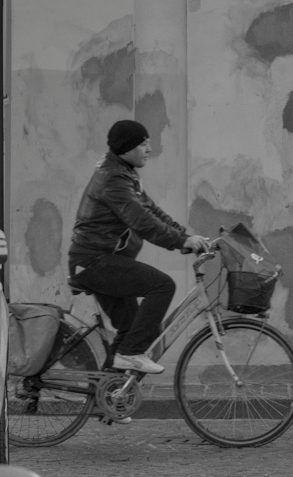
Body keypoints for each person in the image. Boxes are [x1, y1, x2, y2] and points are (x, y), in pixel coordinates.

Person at [66, 119, 214, 375]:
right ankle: (130, 354)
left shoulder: (124, 174)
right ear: (127, 147)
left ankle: (109, 392)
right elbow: (141, 220)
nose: (149, 149)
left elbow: (151, 211)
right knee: (162, 286)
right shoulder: (113, 179)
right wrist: (180, 241)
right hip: (94, 261)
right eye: (144, 144)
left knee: (133, 326)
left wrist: (185, 237)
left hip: (99, 260)